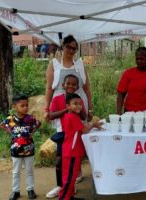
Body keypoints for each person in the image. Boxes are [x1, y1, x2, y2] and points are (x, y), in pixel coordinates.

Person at [45, 35, 92, 197]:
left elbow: (87, 88)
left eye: (74, 48)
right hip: (60, 108)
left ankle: (73, 180)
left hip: (78, 106)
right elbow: (49, 88)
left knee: (76, 144)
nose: (71, 51)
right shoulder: (54, 64)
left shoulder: (79, 65)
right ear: (62, 46)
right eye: (69, 47)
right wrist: (46, 108)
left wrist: (89, 107)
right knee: (62, 149)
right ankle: (61, 185)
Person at [46, 74, 86, 199]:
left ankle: (70, 191)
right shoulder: (57, 99)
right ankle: (60, 188)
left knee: (72, 166)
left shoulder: (78, 99)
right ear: (63, 85)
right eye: (68, 83)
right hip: (62, 133)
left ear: (77, 86)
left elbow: (83, 117)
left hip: (73, 134)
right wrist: (67, 109)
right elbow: (51, 115)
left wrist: (81, 107)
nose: (70, 86)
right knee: (60, 162)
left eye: (74, 84)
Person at [59, 93, 103, 200]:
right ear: (67, 106)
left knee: (72, 177)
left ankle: (70, 196)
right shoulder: (71, 117)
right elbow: (84, 130)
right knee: (69, 178)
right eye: (75, 104)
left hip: (73, 152)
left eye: (80, 104)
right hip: (71, 153)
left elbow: (82, 127)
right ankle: (64, 197)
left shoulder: (72, 116)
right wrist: (93, 125)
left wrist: (89, 125)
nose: (78, 106)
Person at [0, 95, 41, 200]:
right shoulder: (10, 119)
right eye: (22, 105)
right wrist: (11, 132)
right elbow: (2, 125)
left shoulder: (30, 118)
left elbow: (38, 124)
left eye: (27, 105)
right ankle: (15, 191)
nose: (25, 107)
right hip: (16, 149)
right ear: (15, 106)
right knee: (16, 171)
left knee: (29, 170)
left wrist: (32, 131)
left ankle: (30, 189)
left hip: (29, 148)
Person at [117, 47, 146, 114]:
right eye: (137, 59)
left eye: (142, 59)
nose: (139, 61)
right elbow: (121, 94)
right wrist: (119, 113)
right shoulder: (128, 73)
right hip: (130, 113)